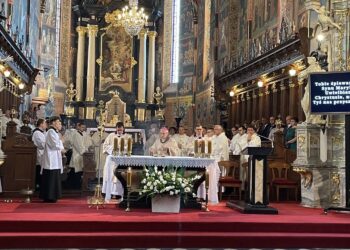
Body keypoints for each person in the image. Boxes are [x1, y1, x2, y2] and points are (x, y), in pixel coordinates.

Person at [40, 116, 64, 202]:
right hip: (51, 159)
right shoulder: (51, 131)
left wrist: (61, 142)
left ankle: (53, 196)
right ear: (53, 123)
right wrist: (61, 142)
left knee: (54, 176)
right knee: (50, 177)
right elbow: (54, 145)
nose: (60, 124)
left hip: (55, 158)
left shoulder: (55, 132)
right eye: (59, 122)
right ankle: (49, 196)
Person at [69, 122, 89, 189]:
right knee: (75, 171)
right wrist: (84, 151)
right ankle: (74, 186)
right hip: (76, 155)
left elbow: (84, 144)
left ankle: (76, 185)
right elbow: (79, 146)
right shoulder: (76, 134)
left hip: (80, 155)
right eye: (82, 127)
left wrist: (85, 149)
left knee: (78, 171)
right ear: (79, 127)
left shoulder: (82, 134)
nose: (83, 129)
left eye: (84, 127)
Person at [32, 118, 47, 191]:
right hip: (39, 154)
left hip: (43, 154)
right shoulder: (37, 133)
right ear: (41, 124)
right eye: (45, 123)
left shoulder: (42, 132)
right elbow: (41, 145)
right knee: (39, 171)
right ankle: (38, 185)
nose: (46, 125)